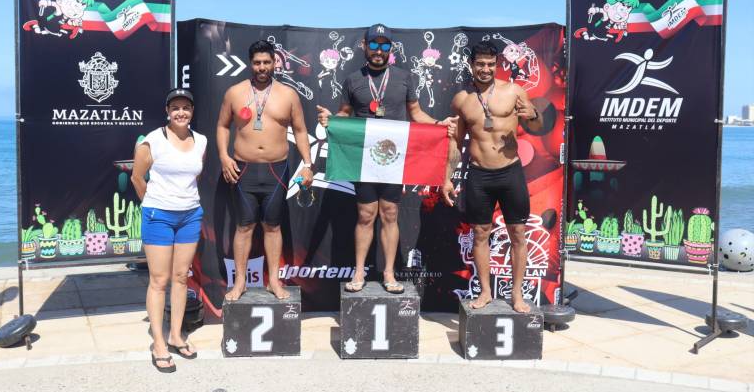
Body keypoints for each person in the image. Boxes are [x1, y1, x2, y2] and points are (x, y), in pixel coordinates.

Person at [317, 24, 457, 294]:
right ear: (364, 46)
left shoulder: (404, 77)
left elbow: (416, 114)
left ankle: (389, 273)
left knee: (390, 214)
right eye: (374, 45)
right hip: (364, 157)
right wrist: (330, 120)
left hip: (395, 156)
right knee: (366, 214)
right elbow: (344, 113)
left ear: (390, 49)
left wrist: (440, 124)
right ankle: (359, 272)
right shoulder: (352, 79)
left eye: (384, 46)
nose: (378, 51)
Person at [442, 41, 543, 313]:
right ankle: (485, 292)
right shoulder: (462, 99)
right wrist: (447, 178)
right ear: (472, 65)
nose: (485, 69)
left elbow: (536, 124)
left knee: (518, 234)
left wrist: (533, 114)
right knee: (480, 234)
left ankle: (517, 294)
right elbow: (455, 142)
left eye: (490, 64)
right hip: (478, 174)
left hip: (510, 171)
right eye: (480, 64)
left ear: (496, 65)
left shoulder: (513, 91)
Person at [217, 40, 314, 301]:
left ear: (275, 63)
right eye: (257, 62)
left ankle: (274, 281)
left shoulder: (288, 94)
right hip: (243, 170)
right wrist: (224, 157)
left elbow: (302, 130)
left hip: (276, 171)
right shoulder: (234, 92)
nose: (262, 67)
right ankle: (239, 283)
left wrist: (307, 164)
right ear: (251, 64)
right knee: (244, 227)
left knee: (272, 227)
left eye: (267, 62)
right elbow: (223, 126)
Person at [131, 88, 207, 373]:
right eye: (175, 107)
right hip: (158, 216)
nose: (181, 112)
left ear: (192, 111)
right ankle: (159, 343)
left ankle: (176, 335)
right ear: (167, 111)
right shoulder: (152, 141)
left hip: (190, 215)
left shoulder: (201, 141)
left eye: (186, 107)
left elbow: (195, 175)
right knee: (159, 280)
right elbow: (138, 178)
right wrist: (154, 205)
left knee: (180, 277)